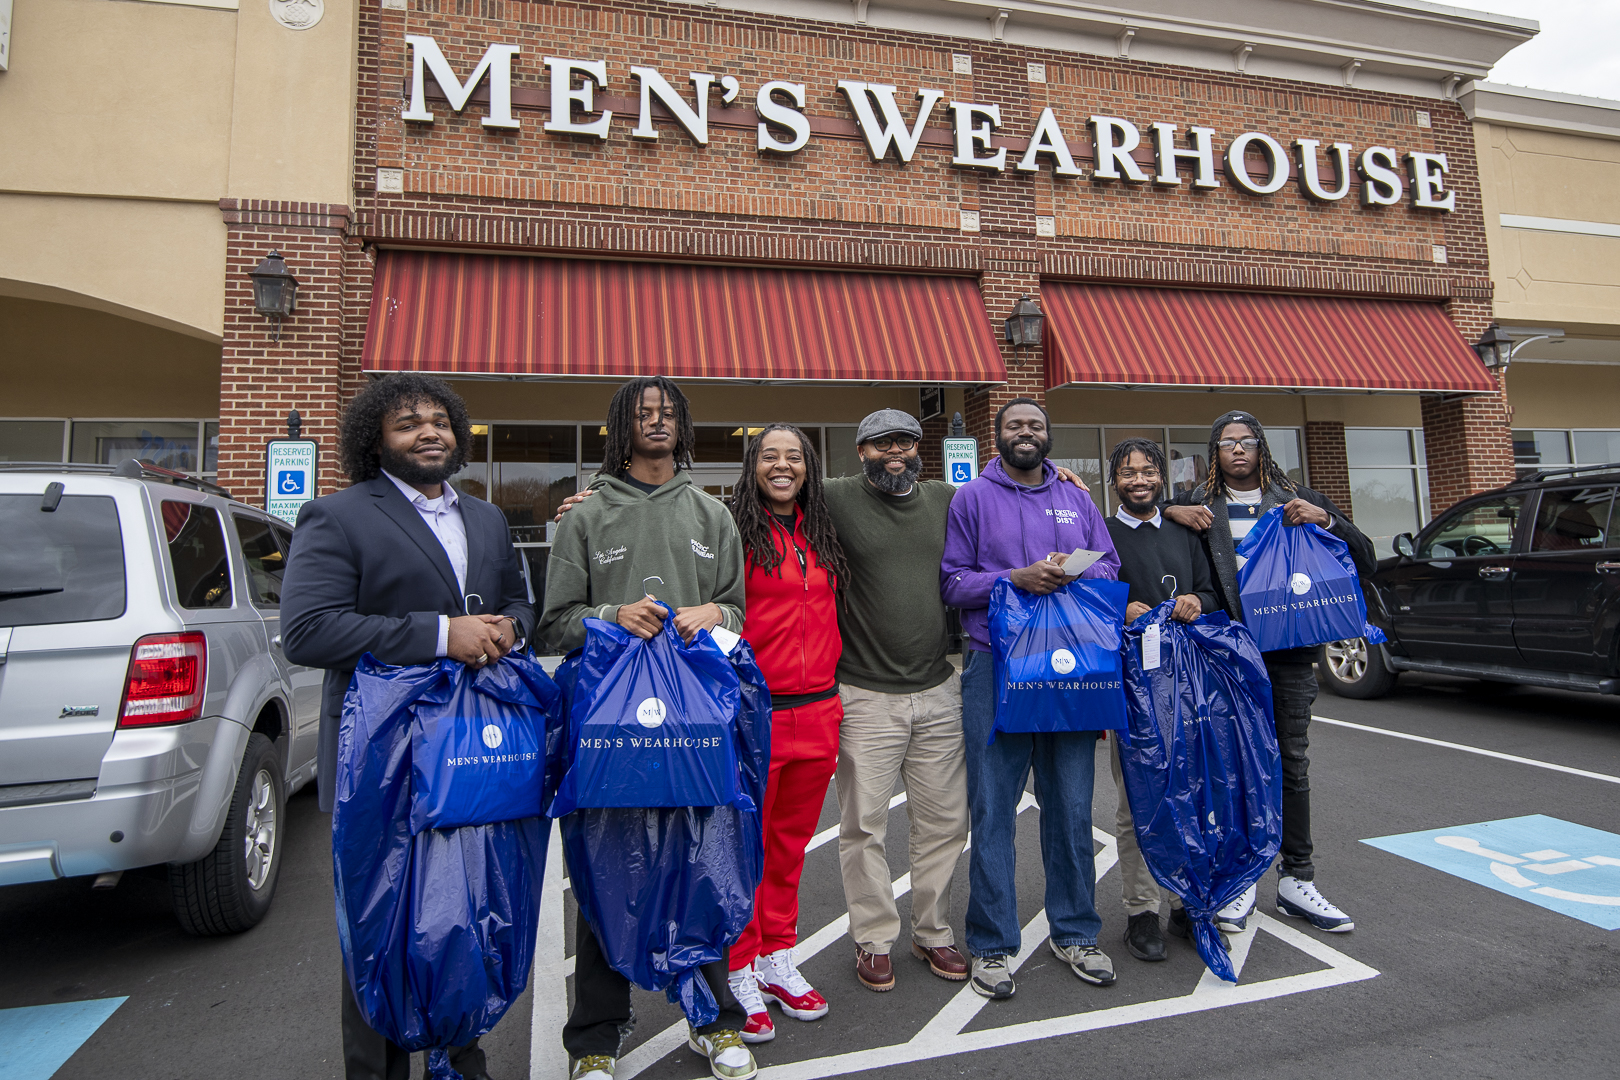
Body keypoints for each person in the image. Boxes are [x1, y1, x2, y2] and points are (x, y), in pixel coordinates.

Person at [281, 372, 532, 1080]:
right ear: (375, 440)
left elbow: (518, 600)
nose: (428, 432)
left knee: (463, 919)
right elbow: (308, 630)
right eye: (406, 423)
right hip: (380, 763)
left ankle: (463, 1058)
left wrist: (511, 627)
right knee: (381, 931)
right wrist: (438, 634)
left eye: (439, 421)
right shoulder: (338, 515)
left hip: (471, 756)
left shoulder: (484, 518)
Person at [537, 376, 756, 1080]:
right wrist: (610, 615)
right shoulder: (587, 516)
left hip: (694, 725)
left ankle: (714, 1022)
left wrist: (717, 616)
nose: (656, 422)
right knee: (606, 877)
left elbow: (739, 612)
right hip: (612, 729)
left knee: (702, 869)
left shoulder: (711, 515)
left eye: (667, 413)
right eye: (643, 413)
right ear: (620, 427)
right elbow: (555, 622)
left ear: (684, 425)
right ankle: (595, 1039)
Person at [1163, 410, 1375, 934]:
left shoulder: (1297, 499)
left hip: (1288, 657)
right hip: (1225, 656)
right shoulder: (1198, 507)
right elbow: (1142, 521)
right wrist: (1171, 509)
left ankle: (1295, 879)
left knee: (1290, 764)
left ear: (1262, 448)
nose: (1238, 449)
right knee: (1233, 768)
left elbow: (1366, 559)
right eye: (1227, 442)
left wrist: (1326, 521)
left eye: (1247, 441)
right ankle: (1239, 882)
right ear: (1214, 453)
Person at [940, 398, 1123, 999]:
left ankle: (1075, 932)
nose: (1027, 433)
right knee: (993, 809)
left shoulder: (1077, 497)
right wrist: (1013, 578)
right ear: (998, 436)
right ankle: (991, 945)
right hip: (996, 665)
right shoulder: (971, 498)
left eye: (1037, 426)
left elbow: (1110, 567)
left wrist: (1074, 572)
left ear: (1049, 437)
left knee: (1071, 807)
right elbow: (952, 583)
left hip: (1072, 666)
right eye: (1016, 425)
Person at [723, 424, 849, 1044]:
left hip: (820, 711)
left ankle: (778, 956)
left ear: (808, 467)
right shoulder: (732, 531)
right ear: (752, 466)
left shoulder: (822, 529)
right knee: (748, 846)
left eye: (793, 456)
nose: (782, 466)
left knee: (791, 845)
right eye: (769, 455)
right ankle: (740, 966)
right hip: (756, 713)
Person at [1101, 437, 1218, 963]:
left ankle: (1186, 902)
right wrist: (1119, 609)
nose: (1140, 479)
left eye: (1149, 470)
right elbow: (1083, 594)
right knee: (1137, 804)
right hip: (1131, 686)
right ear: (1115, 482)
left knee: (1189, 796)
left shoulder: (1184, 529)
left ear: (1161, 478)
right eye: (1128, 473)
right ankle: (1141, 910)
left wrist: (1198, 599)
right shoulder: (1101, 535)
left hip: (1189, 683)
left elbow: (1217, 592)